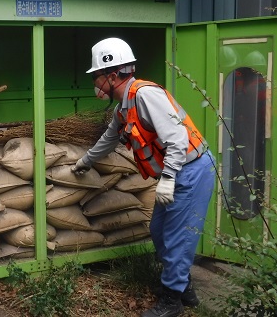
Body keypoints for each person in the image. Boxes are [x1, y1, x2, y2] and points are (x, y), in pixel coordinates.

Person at [71, 37, 215, 317]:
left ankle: (171, 301)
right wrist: (86, 161)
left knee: (176, 237)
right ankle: (183, 289)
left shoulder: (145, 95)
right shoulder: (124, 107)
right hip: (179, 171)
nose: (95, 84)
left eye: (97, 77)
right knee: (159, 231)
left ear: (113, 75)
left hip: (191, 169)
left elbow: (177, 139)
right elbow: (110, 138)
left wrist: (169, 177)